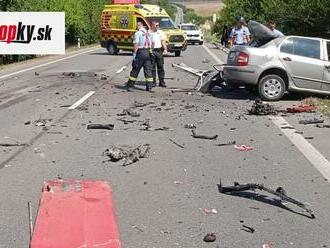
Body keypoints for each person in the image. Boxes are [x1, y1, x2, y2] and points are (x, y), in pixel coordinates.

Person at [126, 22, 154, 91]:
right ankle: (149, 87)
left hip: (140, 52)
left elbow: (136, 44)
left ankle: (130, 86)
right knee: (148, 70)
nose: (136, 27)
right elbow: (152, 43)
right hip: (147, 52)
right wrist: (150, 51)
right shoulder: (148, 33)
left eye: (136, 26)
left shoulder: (138, 33)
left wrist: (134, 54)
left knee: (135, 69)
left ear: (139, 26)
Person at [150, 21, 168, 87]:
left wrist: (165, 49)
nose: (157, 26)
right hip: (152, 51)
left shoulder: (160, 32)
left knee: (161, 67)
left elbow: (163, 41)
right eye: (156, 25)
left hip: (159, 51)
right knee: (152, 68)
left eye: (158, 25)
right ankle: (153, 82)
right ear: (152, 25)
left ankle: (161, 82)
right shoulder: (149, 33)